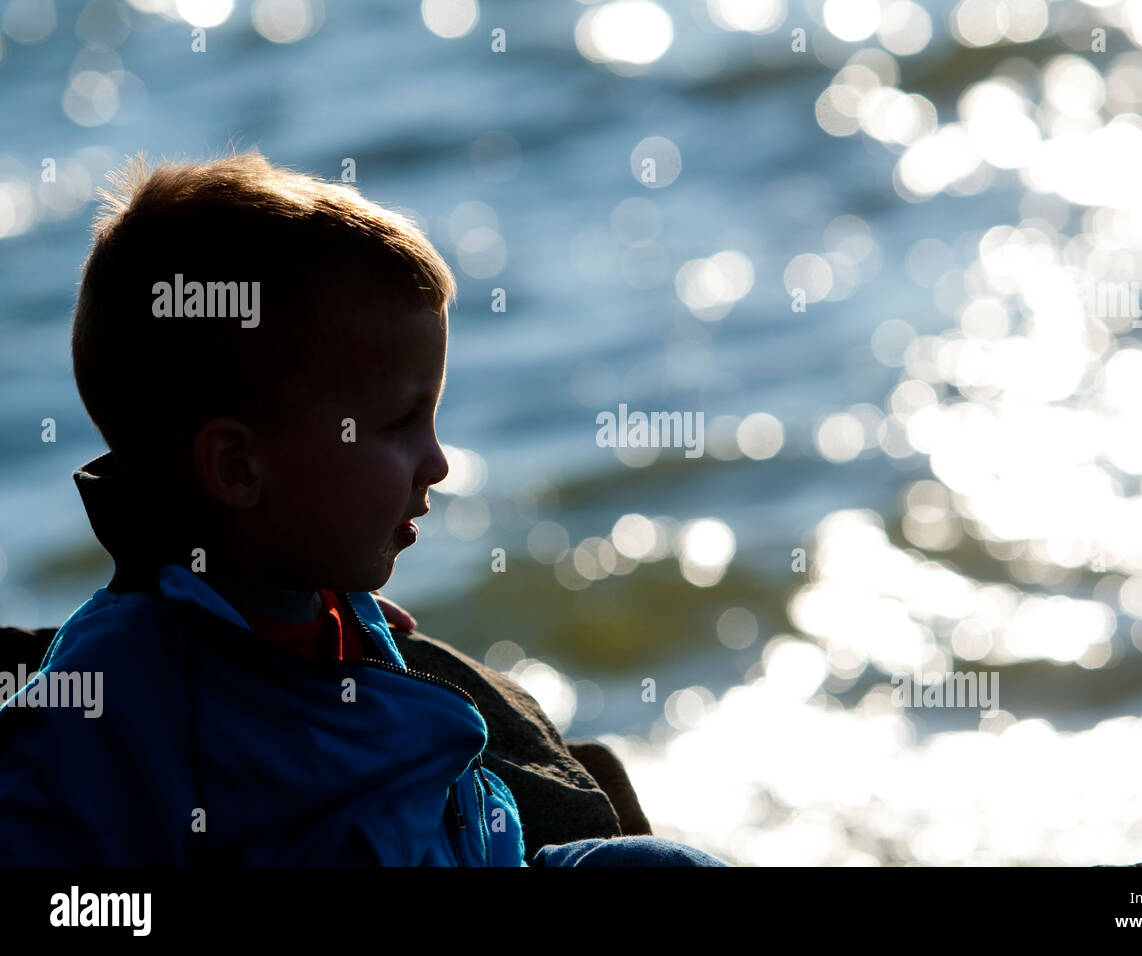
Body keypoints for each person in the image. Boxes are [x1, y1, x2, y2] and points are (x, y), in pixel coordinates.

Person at [0, 149, 728, 867]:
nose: (438, 463)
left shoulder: (318, 607)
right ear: (237, 465)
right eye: (399, 425)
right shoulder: (117, 701)